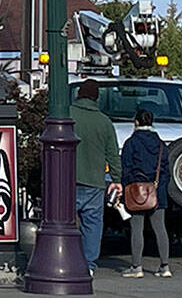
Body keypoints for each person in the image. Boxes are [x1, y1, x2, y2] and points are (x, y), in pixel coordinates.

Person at [70, 80, 122, 275]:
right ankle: (88, 265)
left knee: (64, 222)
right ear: (96, 97)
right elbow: (112, 154)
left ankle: (67, 259)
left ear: (78, 94)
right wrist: (116, 179)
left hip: (68, 180)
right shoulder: (104, 121)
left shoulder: (67, 114)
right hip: (95, 181)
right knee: (92, 225)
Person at [120, 108, 172, 278]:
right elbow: (166, 170)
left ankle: (137, 267)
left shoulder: (131, 143)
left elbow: (126, 168)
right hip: (157, 191)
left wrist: (126, 187)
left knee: (137, 229)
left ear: (136, 122)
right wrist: (160, 187)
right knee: (160, 229)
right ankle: (165, 267)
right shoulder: (161, 144)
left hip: (136, 191)